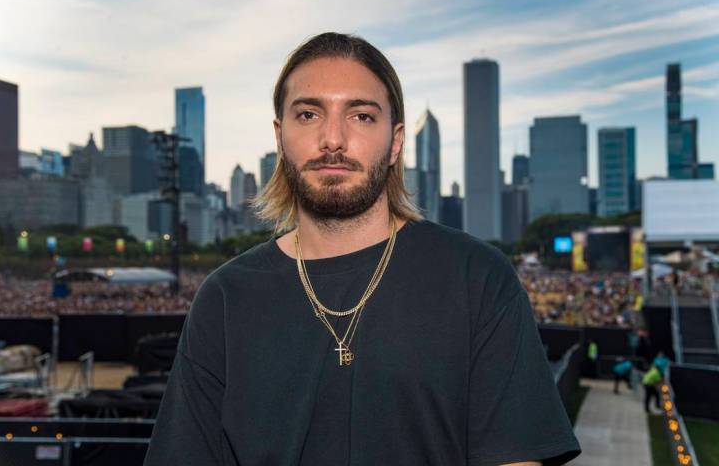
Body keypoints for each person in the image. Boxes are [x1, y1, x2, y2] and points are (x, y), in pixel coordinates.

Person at [144, 32, 581, 466]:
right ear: (280, 138)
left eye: (362, 117)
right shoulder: (226, 297)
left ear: (395, 142)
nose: (332, 139)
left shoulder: (477, 277)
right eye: (309, 114)